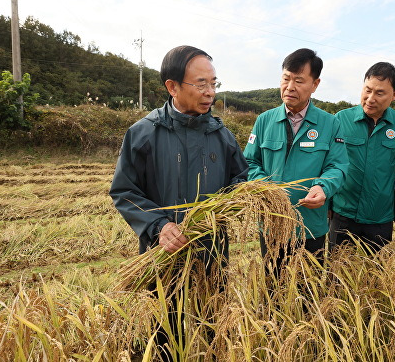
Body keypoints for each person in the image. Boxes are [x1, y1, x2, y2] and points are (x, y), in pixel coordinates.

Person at [109, 45, 248, 358]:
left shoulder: (221, 135)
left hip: (211, 255)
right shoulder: (143, 133)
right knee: (160, 335)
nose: (210, 92)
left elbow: (240, 180)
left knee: (211, 331)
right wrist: (159, 226)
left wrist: (228, 206)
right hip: (162, 257)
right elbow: (125, 190)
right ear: (172, 86)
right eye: (201, 84)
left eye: (214, 83)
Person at [243, 48, 348, 275]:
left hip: (310, 227)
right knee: (272, 290)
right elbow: (249, 163)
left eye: (299, 81)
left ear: (315, 84)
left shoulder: (330, 123)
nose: (290, 87)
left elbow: (338, 166)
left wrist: (323, 187)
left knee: (307, 293)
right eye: (286, 78)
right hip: (272, 226)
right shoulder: (264, 120)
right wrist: (267, 188)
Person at [329, 62, 395, 253]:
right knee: (337, 273)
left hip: (380, 218)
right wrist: (330, 205)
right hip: (343, 213)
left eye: (380, 93)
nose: (370, 98)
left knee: (375, 275)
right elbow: (331, 165)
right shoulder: (341, 119)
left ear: (394, 94)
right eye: (367, 90)